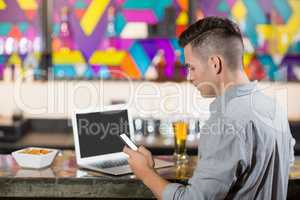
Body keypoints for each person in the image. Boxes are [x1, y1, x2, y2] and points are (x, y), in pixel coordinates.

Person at [123, 16, 295, 200]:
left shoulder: (225, 121)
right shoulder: (274, 108)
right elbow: (287, 163)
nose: (190, 77)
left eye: (192, 67)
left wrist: (146, 173)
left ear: (215, 63)